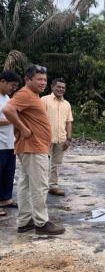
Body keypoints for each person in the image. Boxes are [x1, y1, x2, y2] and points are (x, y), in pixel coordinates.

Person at [3, 65, 65, 235]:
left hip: (32, 147)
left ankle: (24, 221)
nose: (43, 82)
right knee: (40, 185)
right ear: (27, 79)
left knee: (26, 185)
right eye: (39, 79)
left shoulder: (33, 95)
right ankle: (41, 223)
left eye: (44, 79)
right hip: (33, 148)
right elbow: (7, 110)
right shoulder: (25, 94)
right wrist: (23, 129)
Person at [42, 78, 73, 196]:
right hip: (45, 138)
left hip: (61, 139)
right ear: (52, 87)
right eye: (58, 87)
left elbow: (69, 122)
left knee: (56, 164)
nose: (61, 89)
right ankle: (41, 186)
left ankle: (53, 186)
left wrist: (68, 139)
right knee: (43, 163)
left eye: (63, 87)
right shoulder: (44, 100)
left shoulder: (67, 104)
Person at [0, 71, 21, 217]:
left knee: (8, 172)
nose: (13, 89)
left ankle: (5, 199)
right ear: (3, 81)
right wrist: (13, 120)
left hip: (9, 143)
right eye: (12, 85)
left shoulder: (7, 98)